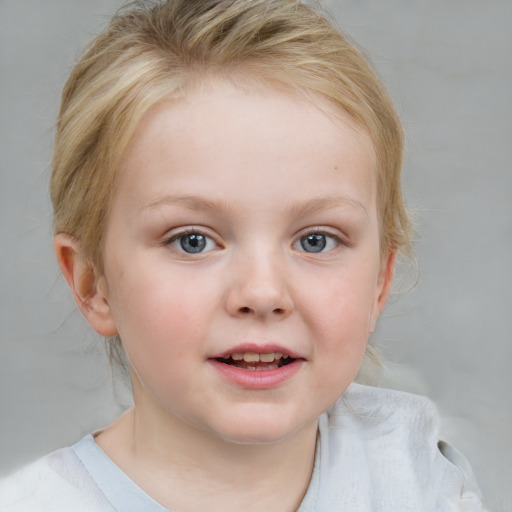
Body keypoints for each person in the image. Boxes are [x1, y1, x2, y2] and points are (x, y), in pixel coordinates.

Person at [0, 0, 487, 510]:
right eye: (193, 240)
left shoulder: (424, 483)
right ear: (92, 283)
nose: (261, 293)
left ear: (379, 283)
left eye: (315, 240)